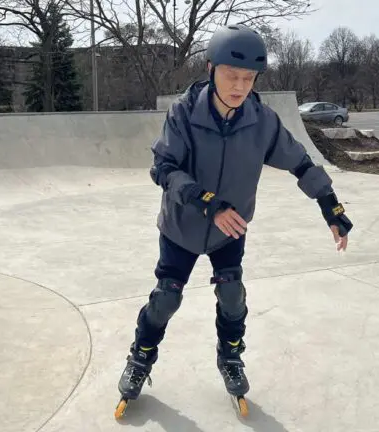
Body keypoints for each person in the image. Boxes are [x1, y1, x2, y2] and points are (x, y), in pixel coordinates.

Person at [116, 24, 354, 403]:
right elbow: (163, 168)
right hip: (183, 224)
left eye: (248, 78)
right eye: (231, 75)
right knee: (167, 297)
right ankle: (140, 357)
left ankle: (230, 356)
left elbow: (301, 163)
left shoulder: (261, 121)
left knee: (232, 294)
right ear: (210, 69)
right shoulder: (183, 114)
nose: (240, 86)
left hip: (232, 227)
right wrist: (207, 202)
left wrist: (331, 206)